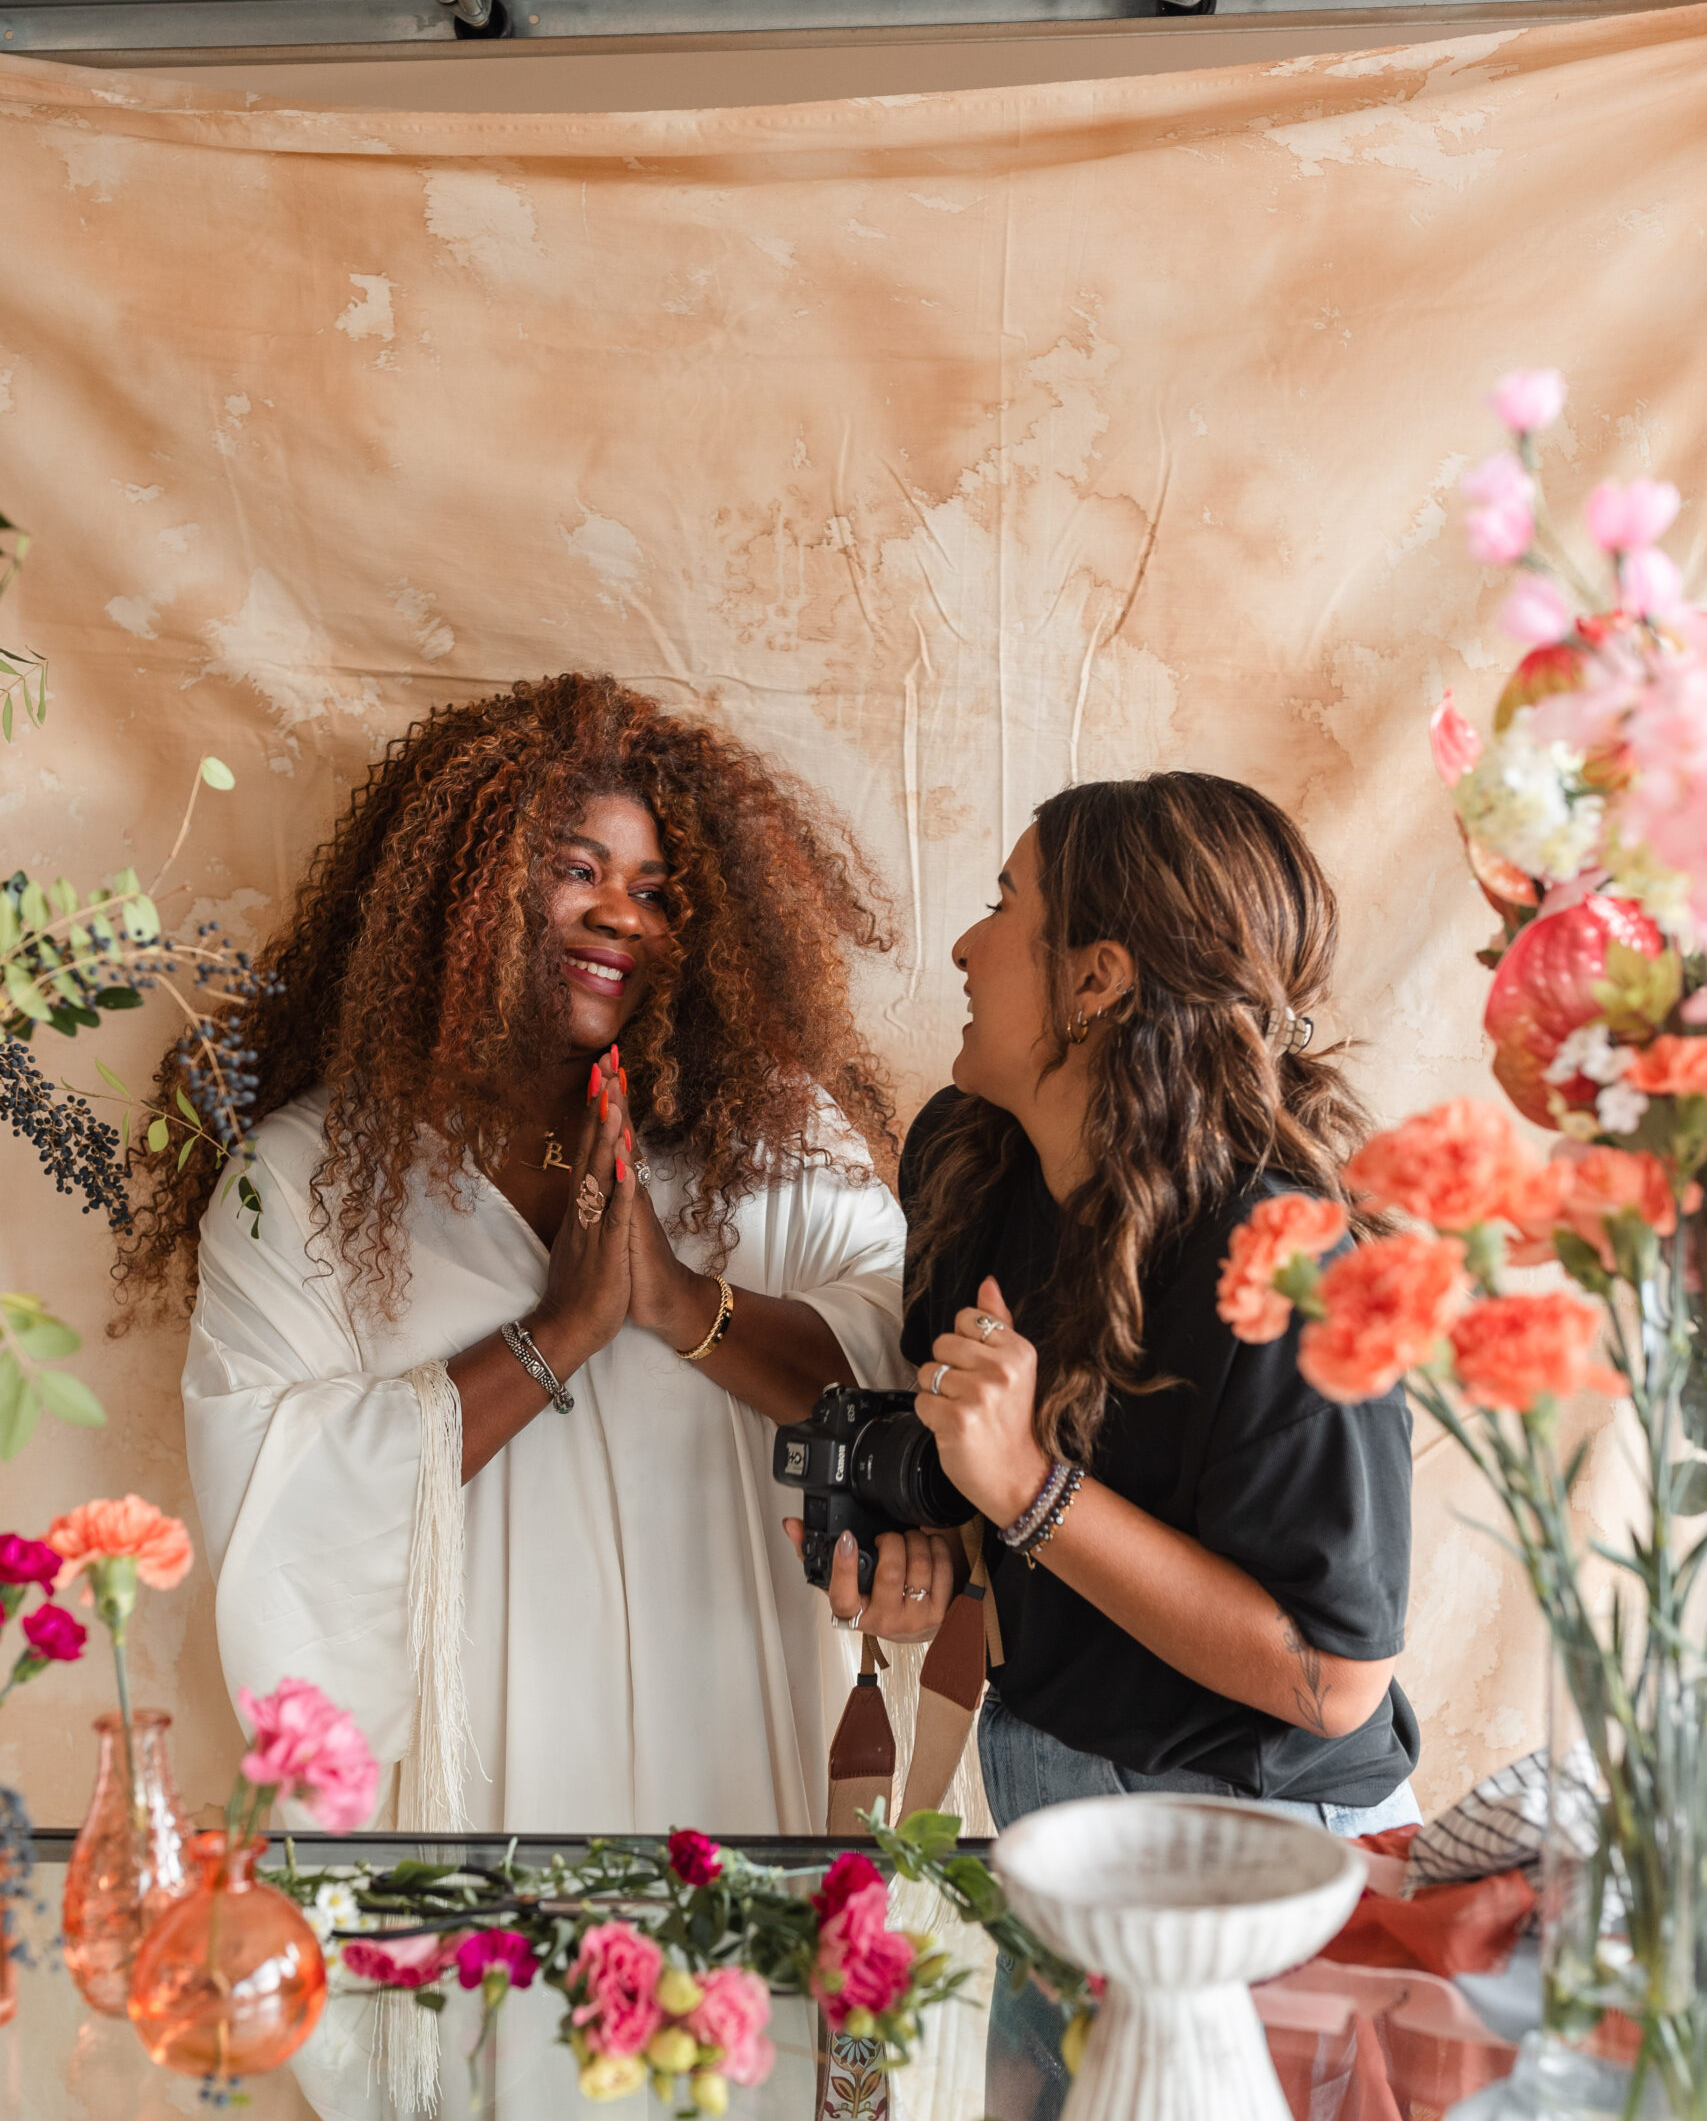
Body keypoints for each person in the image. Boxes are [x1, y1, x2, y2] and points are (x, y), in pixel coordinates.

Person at [117, 671, 912, 1840]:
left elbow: (898, 1377)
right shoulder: (300, 1179)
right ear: (465, 889)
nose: (621, 915)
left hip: (731, 1752)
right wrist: (558, 1338)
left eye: (654, 888)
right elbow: (273, 1519)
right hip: (469, 1796)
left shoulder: (776, 1142)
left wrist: (684, 1304)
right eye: (576, 869)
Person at [820, 772, 1420, 1840]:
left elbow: (1333, 1678)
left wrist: (1028, 1489)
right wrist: (939, 1550)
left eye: (1005, 904)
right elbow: (1002, 1507)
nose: (964, 946)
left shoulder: (1286, 1269)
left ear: (1094, 979)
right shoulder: (968, 1164)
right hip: (1053, 1796)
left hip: (1260, 1843)